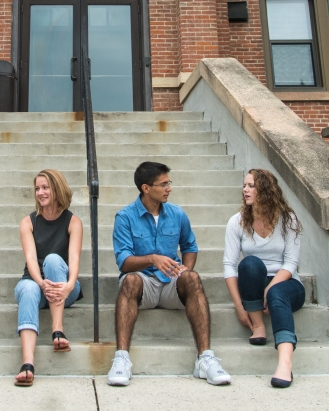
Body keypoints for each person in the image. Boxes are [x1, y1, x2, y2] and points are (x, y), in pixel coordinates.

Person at [107, 161, 231, 387]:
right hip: (144, 284)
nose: (169, 188)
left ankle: (205, 359)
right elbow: (124, 262)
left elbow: (190, 247)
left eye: (169, 183)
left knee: (193, 278)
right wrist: (152, 258)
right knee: (129, 281)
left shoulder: (177, 214)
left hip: (171, 284)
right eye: (163, 184)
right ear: (146, 188)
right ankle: (122, 359)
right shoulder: (125, 217)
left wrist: (185, 269)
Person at [222, 168, 304, 388]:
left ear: (265, 190)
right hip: (254, 281)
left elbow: (290, 263)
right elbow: (229, 266)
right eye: (244, 185)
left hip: (288, 283)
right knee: (248, 263)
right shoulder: (237, 221)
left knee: (277, 292)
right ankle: (258, 326)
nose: (245, 190)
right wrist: (239, 306)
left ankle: (285, 364)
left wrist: (271, 287)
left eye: (251, 186)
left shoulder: (288, 219)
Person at [13, 169, 83, 386]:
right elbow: (31, 259)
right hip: (37, 285)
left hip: (65, 287)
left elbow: (73, 259)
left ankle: (57, 329)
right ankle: (28, 363)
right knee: (28, 289)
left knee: (53, 260)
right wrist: (41, 283)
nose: (40, 193)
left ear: (57, 189)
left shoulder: (73, 222)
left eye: (45, 188)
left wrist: (70, 285)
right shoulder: (28, 222)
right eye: (37, 188)